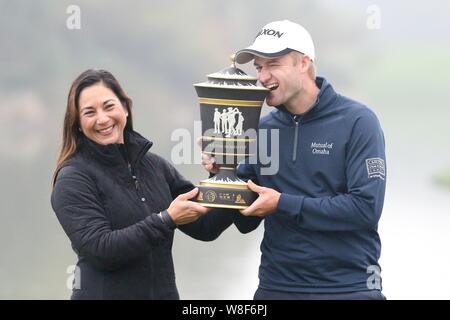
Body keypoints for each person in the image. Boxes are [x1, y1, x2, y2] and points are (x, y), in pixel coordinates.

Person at [202, 20, 387, 300]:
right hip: (276, 289)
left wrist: (282, 203)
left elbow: (364, 209)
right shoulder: (261, 129)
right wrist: (224, 172)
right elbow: (245, 221)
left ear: (303, 63)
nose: (263, 77)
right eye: (259, 67)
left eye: (273, 64)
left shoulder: (358, 122)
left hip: (347, 289)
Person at [51, 69, 234, 300]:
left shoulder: (155, 166)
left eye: (109, 106)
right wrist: (165, 219)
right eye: (89, 112)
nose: (102, 119)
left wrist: (226, 175)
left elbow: (206, 227)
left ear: (125, 108)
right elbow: (101, 250)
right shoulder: (73, 178)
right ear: (78, 123)